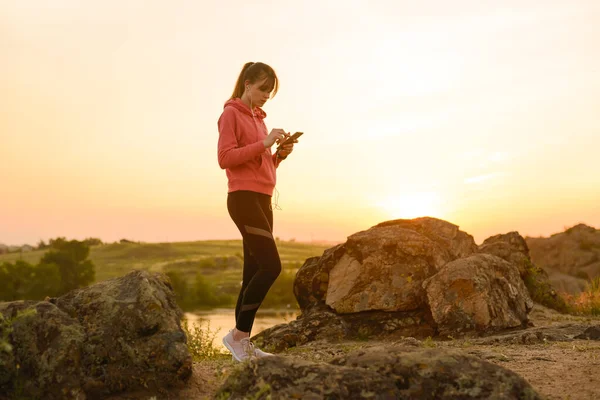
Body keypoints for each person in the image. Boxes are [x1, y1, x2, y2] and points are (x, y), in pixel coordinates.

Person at [217, 61, 296, 362]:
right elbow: (225, 158)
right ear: (247, 84)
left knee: (252, 270)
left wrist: (278, 156)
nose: (266, 96)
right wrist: (263, 142)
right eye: (263, 89)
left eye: (270, 92)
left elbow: (258, 164)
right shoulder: (230, 114)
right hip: (243, 199)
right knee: (271, 266)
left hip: (262, 199)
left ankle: (242, 341)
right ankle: (236, 337)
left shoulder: (260, 119)